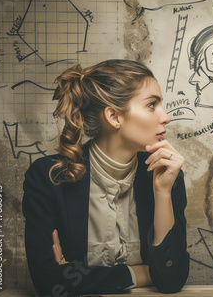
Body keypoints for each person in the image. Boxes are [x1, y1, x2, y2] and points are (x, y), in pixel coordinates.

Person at [22, 60, 189, 296]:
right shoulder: (49, 178)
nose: (166, 117)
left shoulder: (167, 174)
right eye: (152, 105)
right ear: (114, 116)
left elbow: (172, 279)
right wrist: (144, 273)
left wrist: (162, 192)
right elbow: (49, 283)